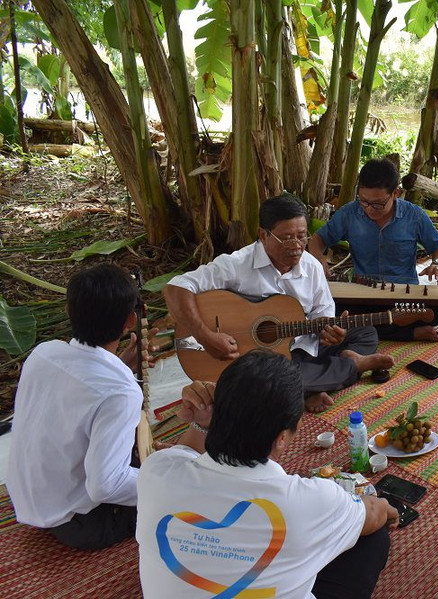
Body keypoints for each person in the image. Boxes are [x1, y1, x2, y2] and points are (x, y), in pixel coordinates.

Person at [136, 351, 398, 598]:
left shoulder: (157, 471)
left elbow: (186, 452)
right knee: (373, 539)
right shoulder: (310, 501)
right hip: (311, 519)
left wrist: (202, 421)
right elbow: (372, 515)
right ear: (282, 437)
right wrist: (386, 508)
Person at [164, 193, 395, 414]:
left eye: (302, 236)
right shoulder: (236, 265)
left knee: (366, 332)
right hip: (259, 364)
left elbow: (321, 314)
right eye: (286, 237)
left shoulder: (311, 266)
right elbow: (176, 287)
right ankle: (348, 368)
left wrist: (329, 332)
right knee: (262, 385)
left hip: (301, 347)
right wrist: (206, 337)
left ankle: (313, 382)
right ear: (263, 235)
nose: (296, 245)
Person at [6, 263, 145, 550]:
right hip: (79, 525)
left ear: (68, 310)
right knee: (171, 488)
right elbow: (105, 485)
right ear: (130, 321)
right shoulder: (120, 391)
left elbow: (80, 392)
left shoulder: (43, 353)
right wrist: (162, 481)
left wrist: (117, 368)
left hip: (26, 496)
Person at [308, 158, 438, 342]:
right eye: (364, 201)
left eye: (378, 204)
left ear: (396, 193)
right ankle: (408, 333)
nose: (369, 209)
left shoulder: (414, 215)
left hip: (403, 295)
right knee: (333, 314)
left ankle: (380, 327)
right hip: (363, 294)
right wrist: (319, 258)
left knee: (436, 312)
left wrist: (437, 263)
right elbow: (316, 241)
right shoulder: (350, 213)